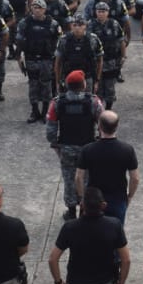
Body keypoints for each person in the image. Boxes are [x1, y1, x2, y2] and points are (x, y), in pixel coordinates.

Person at [46, 71, 105, 220]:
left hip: (67, 148)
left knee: (69, 179)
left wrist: (56, 145)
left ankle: (71, 211)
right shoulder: (94, 102)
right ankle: (87, 209)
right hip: (88, 148)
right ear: (84, 84)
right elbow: (103, 124)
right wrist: (99, 142)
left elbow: (50, 130)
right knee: (88, 179)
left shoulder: (57, 103)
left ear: (67, 85)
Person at [76, 111, 140, 224]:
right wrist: (129, 196)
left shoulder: (88, 149)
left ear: (99, 126)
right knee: (115, 231)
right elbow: (135, 178)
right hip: (118, 199)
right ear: (117, 126)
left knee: (88, 230)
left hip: (93, 200)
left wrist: (82, 197)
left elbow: (78, 177)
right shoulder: (127, 150)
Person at [17, 0, 63, 123]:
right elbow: (19, 40)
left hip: (46, 59)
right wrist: (18, 57)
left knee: (46, 85)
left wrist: (57, 60)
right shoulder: (25, 23)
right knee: (33, 85)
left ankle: (45, 112)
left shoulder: (53, 24)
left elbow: (59, 42)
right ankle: (34, 111)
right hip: (31, 58)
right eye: (35, 7)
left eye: (40, 8)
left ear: (44, 9)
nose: (37, 10)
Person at [89, 2, 127, 109]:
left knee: (110, 87)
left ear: (108, 12)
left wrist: (123, 56)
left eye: (103, 11)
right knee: (97, 88)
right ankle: (99, 110)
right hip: (96, 62)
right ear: (95, 12)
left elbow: (121, 40)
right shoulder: (90, 24)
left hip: (112, 61)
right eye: (99, 11)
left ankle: (108, 109)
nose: (101, 14)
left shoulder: (114, 24)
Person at [54, 13, 103, 94]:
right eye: (74, 25)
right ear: (71, 26)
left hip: (87, 78)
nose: (77, 28)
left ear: (85, 26)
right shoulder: (64, 40)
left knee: (87, 100)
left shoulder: (93, 39)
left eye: (80, 25)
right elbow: (58, 62)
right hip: (68, 77)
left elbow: (100, 60)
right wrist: (57, 82)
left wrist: (97, 80)